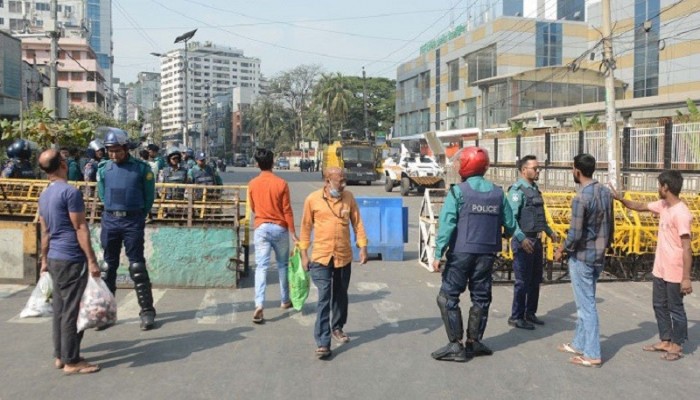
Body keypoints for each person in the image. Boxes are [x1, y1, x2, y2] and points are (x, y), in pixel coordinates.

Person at [430, 147, 516, 362]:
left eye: (460, 162)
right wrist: (523, 240)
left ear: (466, 164)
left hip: (461, 253)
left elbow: (447, 224)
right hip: (487, 254)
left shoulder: (458, 192)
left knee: (448, 296)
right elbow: (511, 223)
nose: (458, 166)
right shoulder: (498, 193)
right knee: (481, 297)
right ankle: (474, 342)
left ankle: (455, 345)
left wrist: (438, 253)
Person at [610, 170, 693, 361]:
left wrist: (686, 277)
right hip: (660, 268)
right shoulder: (664, 205)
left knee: (676, 308)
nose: (658, 189)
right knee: (659, 305)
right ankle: (665, 339)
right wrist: (620, 199)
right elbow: (639, 206)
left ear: (666, 187)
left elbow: (687, 248)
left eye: (659, 185)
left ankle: (677, 345)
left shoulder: (681, 213)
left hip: (675, 270)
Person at [37, 148, 101, 375]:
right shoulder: (70, 193)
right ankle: (72, 361)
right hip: (71, 258)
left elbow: (45, 231)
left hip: (54, 257)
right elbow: (80, 227)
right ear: (62, 164)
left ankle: (60, 356)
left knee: (60, 309)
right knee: (71, 311)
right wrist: (92, 260)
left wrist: (44, 259)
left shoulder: (44, 194)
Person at [299, 166, 368, 359]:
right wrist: (304, 254)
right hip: (321, 256)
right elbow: (305, 227)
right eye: (340, 181)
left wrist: (362, 247)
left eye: (344, 180)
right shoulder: (312, 199)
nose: (344, 184)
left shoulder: (349, 198)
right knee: (324, 297)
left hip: (343, 255)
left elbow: (357, 223)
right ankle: (323, 341)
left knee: (340, 294)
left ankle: (337, 327)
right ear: (328, 181)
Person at [554, 153, 614, 368]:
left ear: (577, 171)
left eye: (572, 169)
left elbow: (575, 233)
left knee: (586, 305)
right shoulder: (605, 192)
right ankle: (579, 343)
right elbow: (611, 224)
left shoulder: (581, 198)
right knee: (584, 301)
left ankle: (592, 353)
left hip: (582, 257)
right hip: (599, 256)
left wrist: (562, 249)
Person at [97, 127, 157, 330]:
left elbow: (149, 197)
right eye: (110, 151)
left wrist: (138, 215)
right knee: (107, 268)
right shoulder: (104, 169)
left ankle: (147, 311)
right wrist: (113, 212)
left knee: (137, 267)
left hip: (133, 221)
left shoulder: (141, 169)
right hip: (111, 220)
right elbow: (103, 196)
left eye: (117, 150)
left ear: (125, 148)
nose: (114, 155)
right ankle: (106, 313)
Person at [507, 155, 558, 330]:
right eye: (535, 168)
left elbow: (540, 216)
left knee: (535, 279)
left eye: (538, 169)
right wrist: (521, 239)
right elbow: (510, 219)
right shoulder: (517, 191)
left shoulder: (535, 189)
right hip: (524, 241)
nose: (538, 171)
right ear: (523, 170)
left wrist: (550, 232)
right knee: (522, 281)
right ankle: (516, 316)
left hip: (536, 240)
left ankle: (530, 313)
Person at [248, 148, 298, 324]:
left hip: (261, 228)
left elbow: (253, 207)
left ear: (257, 164)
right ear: (273, 163)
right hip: (279, 228)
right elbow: (287, 210)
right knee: (283, 265)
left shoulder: (253, 184)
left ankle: (259, 304)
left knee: (261, 267)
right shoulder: (281, 183)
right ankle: (285, 300)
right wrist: (293, 232)